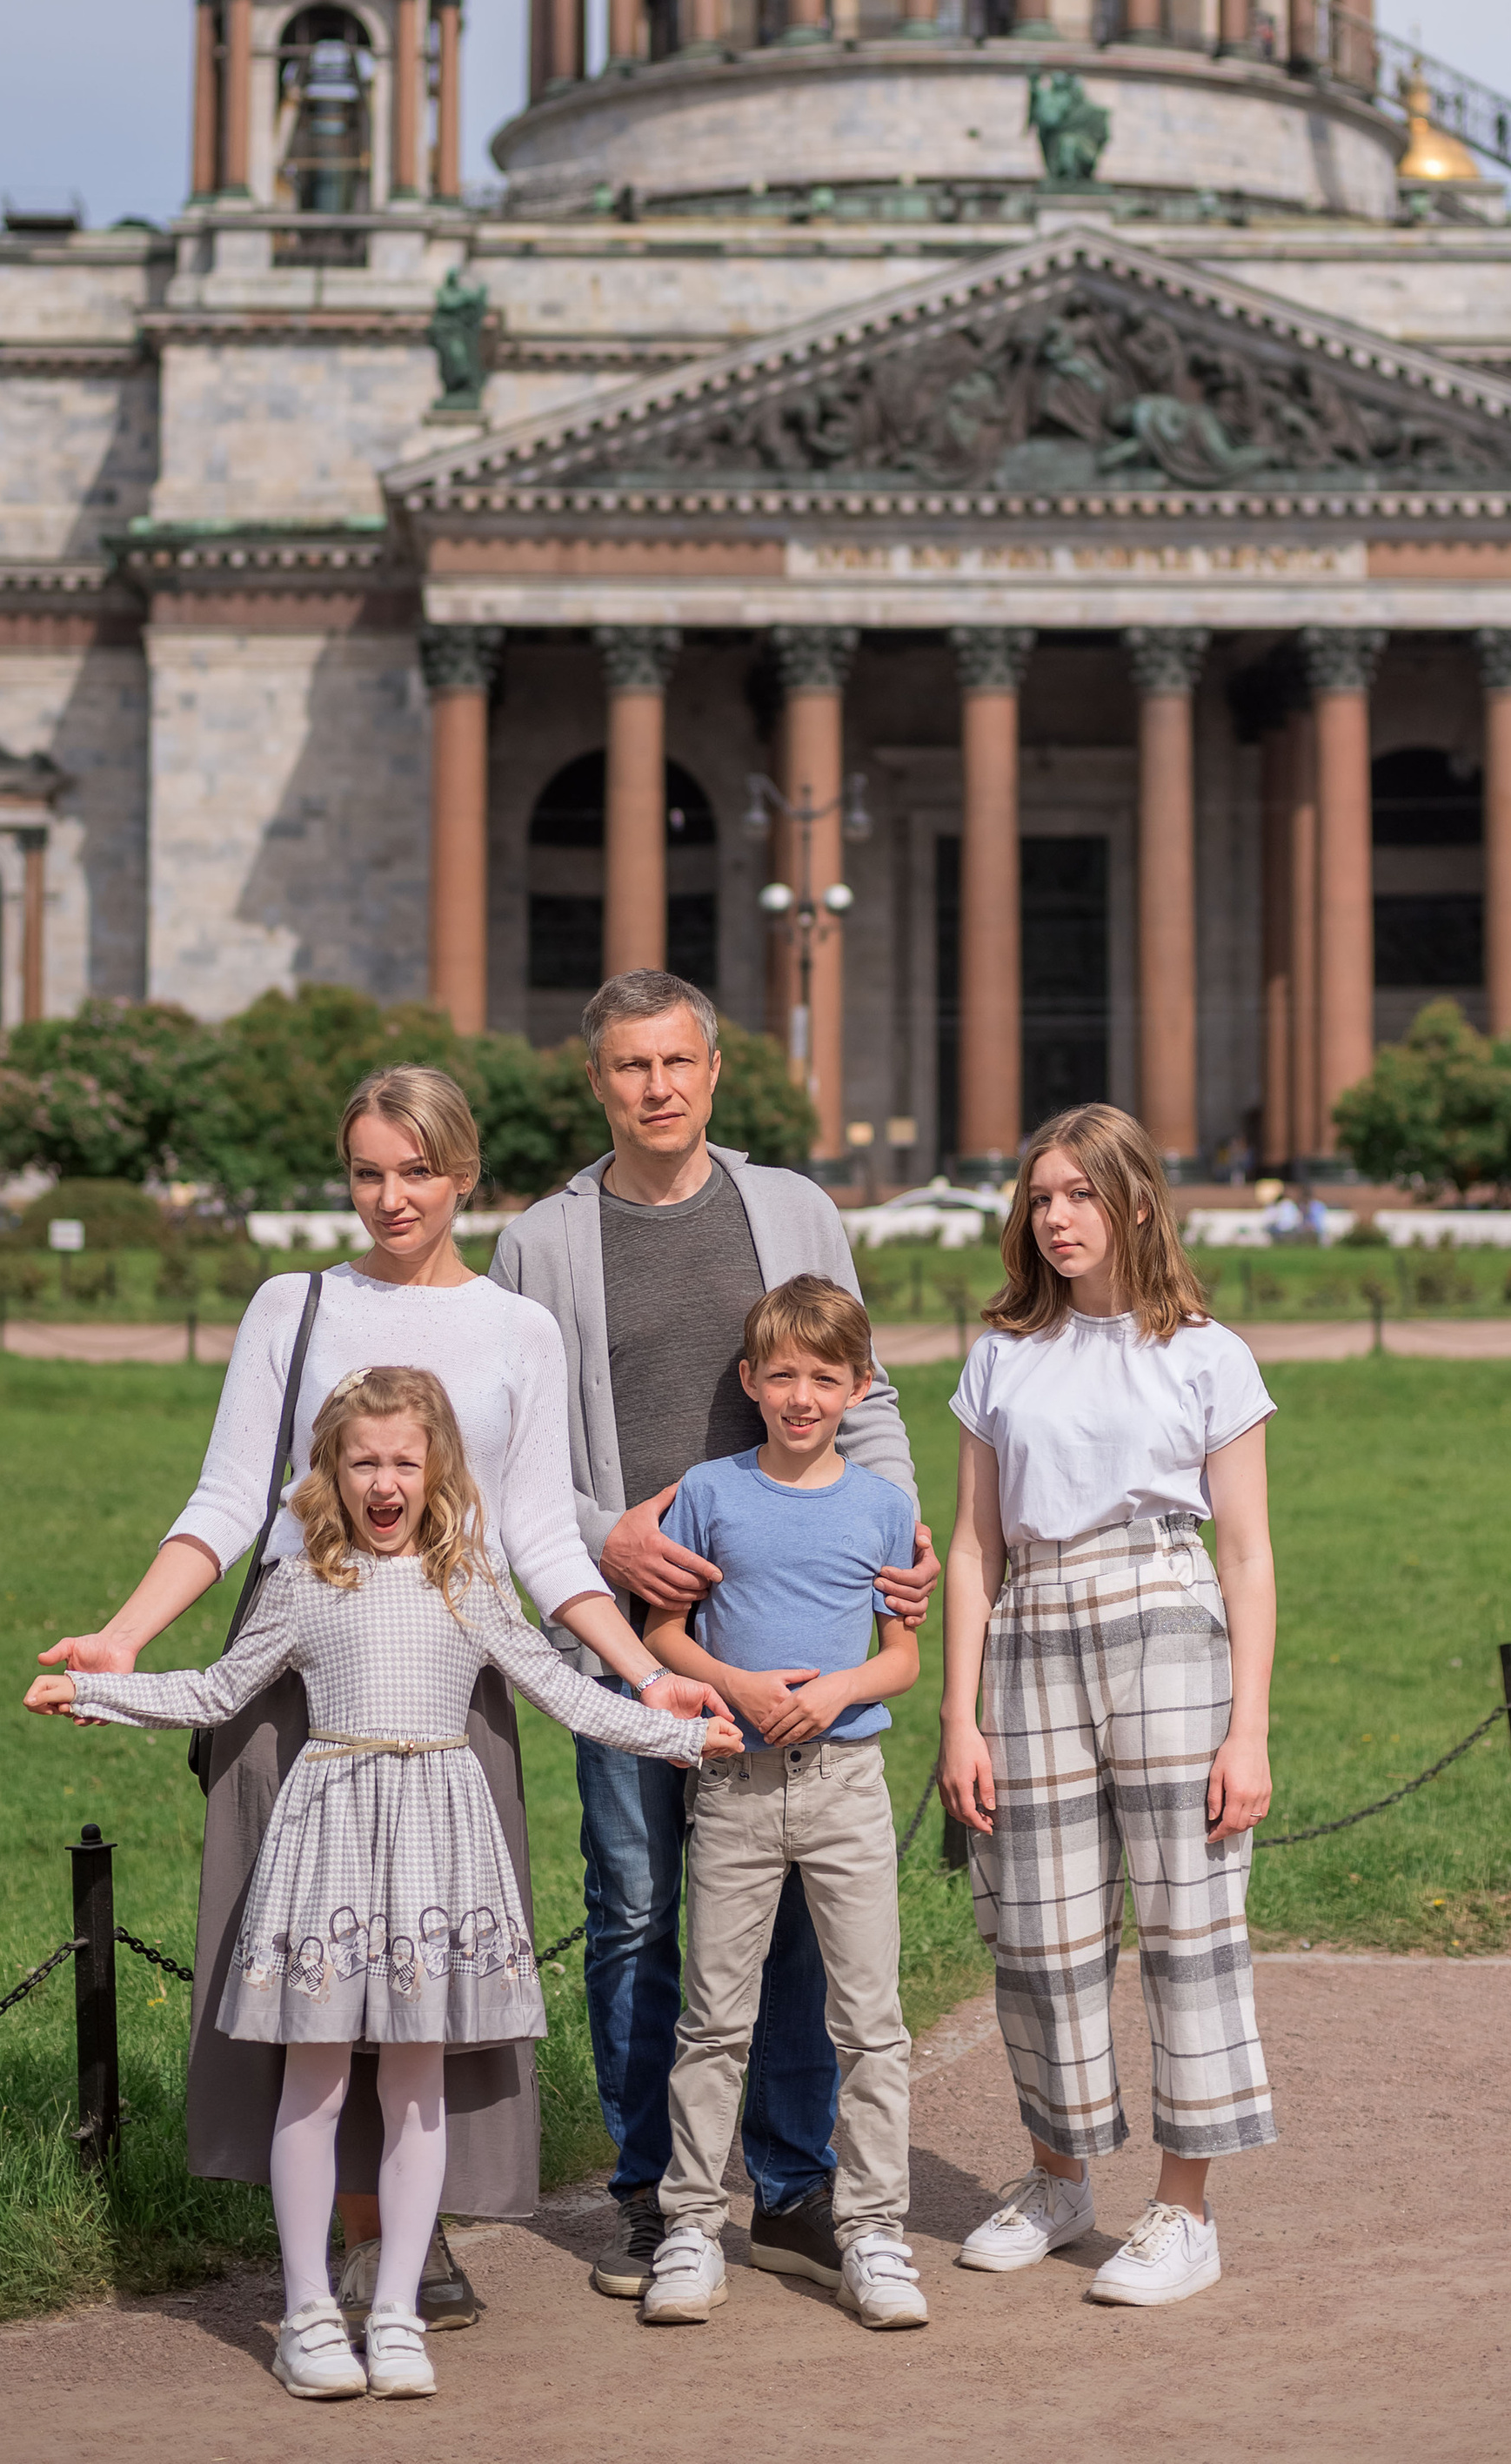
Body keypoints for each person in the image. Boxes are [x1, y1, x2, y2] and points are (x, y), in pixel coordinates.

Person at [37, 1062, 725, 2337]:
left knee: (420, 1969)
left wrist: (646, 1675)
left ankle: (411, 2241)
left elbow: (539, 1539)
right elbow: (228, 1498)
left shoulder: (518, 1329)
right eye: (367, 1172)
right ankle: (349, 2247)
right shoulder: (293, 1305)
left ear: (463, 1174)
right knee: (313, 1978)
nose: (390, 1197)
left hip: (449, 1671)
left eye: (416, 1171)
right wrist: (124, 1641)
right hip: (296, 1668)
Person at [490, 968, 939, 2300]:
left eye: (677, 1062)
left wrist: (897, 1536)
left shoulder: (790, 1207)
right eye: (631, 1066)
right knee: (635, 1912)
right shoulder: (541, 1242)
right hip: (624, 1644)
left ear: (713, 1071)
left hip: (781, 1638)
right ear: (597, 1082)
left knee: (791, 1919)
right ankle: (652, 2193)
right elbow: (511, 1456)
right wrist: (604, 1537)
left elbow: (865, 1393)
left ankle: (792, 2186)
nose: (658, 1087)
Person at [938, 1101, 1278, 2309]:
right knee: (1039, 1929)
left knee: (1189, 1928)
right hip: (1032, 1622)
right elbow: (972, 1549)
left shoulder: (1207, 1353)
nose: (1056, 1217)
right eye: (1040, 1197)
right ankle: (1058, 2177)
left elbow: (1247, 1554)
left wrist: (1249, 1730)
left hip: (1167, 1616)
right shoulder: (1002, 1356)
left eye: (1079, 1194)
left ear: (1135, 1201)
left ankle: (1185, 2211)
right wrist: (958, 1717)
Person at [638, 1276, 927, 2333]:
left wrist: (839, 1689)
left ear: (858, 1387)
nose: (802, 1397)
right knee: (715, 2020)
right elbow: (661, 1634)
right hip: (734, 1789)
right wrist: (738, 1686)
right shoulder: (707, 1492)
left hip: (845, 1788)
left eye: (825, 1378)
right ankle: (687, 2228)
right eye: (783, 1376)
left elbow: (900, 1661)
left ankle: (875, 2232)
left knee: (871, 2022)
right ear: (751, 1382)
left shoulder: (883, 1506)